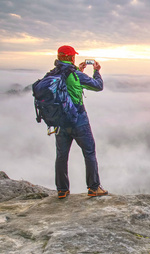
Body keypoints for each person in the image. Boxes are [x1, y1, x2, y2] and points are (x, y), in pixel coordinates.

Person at [54, 45, 108, 199]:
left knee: (61, 155)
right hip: (79, 122)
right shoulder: (75, 75)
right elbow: (98, 86)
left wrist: (78, 71)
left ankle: (62, 190)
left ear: (58, 57)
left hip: (60, 123)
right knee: (89, 153)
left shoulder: (53, 74)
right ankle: (94, 188)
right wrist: (96, 71)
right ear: (71, 58)